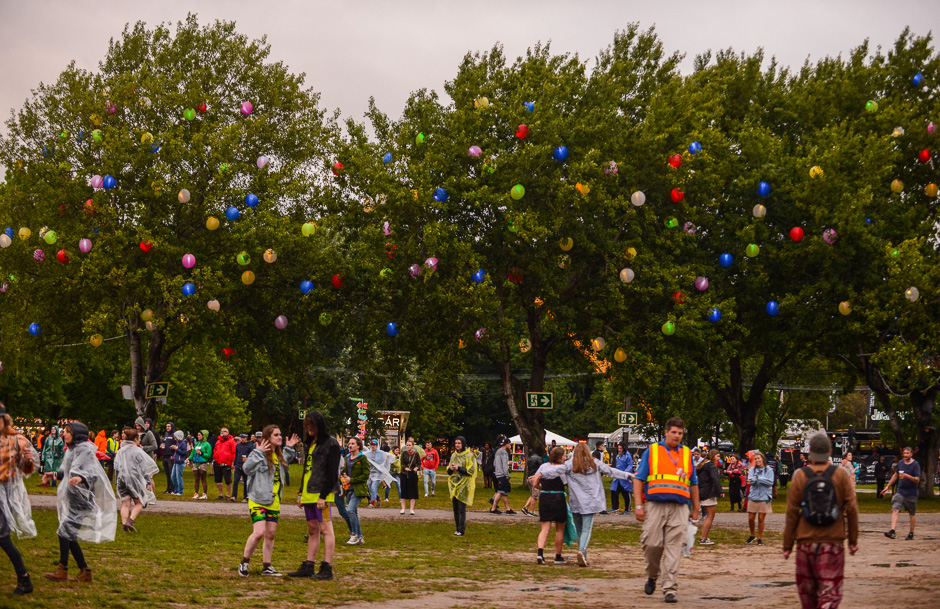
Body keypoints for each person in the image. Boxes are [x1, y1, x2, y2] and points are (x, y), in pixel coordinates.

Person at [783, 432, 859, 609]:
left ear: (810, 453)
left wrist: (788, 545)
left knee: (807, 595)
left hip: (805, 542)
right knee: (830, 593)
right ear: (829, 452)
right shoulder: (840, 476)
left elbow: (792, 512)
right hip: (832, 541)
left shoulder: (800, 475)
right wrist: (853, 541)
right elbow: (852, 510)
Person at [633, 417, 700, 604]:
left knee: (675, 548)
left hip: (680, 507)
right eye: (674, 432)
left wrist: (696, 508)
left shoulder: (687, 454)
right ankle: (652, 575)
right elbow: (638, 479)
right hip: (655, 505)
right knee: (652, 543)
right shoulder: (653, 451)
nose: (677, 436)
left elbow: (693, 483)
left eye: (680, 433)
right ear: (666, 432)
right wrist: (639, 506)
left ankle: (670, 589)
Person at [533, 442, 632, 567]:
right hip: (591, 502)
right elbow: (611, 471)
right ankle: (581, 552)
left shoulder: (569, 464)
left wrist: (542, 474)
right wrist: (628, 475)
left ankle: (583, 556)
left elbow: (556, 471)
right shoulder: (595, 463)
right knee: (586, 529)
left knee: (579, 530)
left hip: (576, 502)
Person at [42, 422, 117, 584]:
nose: (65, 434)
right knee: (69, 535)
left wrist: (81, 478)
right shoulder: (73, 450)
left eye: (68, 432)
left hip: (82, 500)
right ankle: (84, 572)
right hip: (74, 497)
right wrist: (53, 473)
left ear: (77, 434)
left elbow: (92, 472)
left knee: (64, 532)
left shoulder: (84, 451)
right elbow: (68, 471)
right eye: (65, 431)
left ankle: (63, 569)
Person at [238, 425, 299, 577]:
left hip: (274, 500)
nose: (280, 437)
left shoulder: (278, 456)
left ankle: (267, 567)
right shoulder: (257, 453)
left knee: (270, 534)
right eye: (276, 435)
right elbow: (246, 469)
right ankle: (244, 562)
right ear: (268, 437)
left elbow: (287, 457)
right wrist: (259, 453)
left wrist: (290, 447)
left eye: (280, 434)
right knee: (259, 532)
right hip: (258, 499)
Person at [288, 411, 340, 580]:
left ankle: (327, 567)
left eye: (311, 426)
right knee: (312, 530)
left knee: (326, 529)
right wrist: (300, 493)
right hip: (308, 492)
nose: (308, 429)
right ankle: (309, 565)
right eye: (306, 426)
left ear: (319, 425)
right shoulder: (310, 443)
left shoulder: (331, 443)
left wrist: (323, 496)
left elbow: (333, 472)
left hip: (321, 493)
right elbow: (306, 469)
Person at [0, 403, 38, 595]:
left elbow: (27, 469)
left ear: (4, 419)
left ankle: (24, 578)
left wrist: (29, 459)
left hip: (6, 495)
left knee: (3, 537)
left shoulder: (17, 440)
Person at [114, 428, 159, 532]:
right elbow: (144, 468)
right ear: (135, 439)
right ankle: (130, 520)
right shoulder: (137, 451)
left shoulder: (120, 451)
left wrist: (116, 481)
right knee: (140, 502)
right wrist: (148, 481)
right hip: (134, 479)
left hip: (122, 479)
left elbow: (116, 466)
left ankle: (124, 526)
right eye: (139, 438)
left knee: (125, 504)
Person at [881, 446, 921, 540]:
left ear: (911, 454)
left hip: (911, 493)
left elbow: (917, 480)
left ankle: (911, 533)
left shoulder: (915, 464)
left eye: (908, 453)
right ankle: (892, 531)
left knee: (912, 513)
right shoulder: (900, 463)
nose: (906, 455)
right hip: (900, 491)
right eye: (904, 453)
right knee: (895, 509)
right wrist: (887, 487)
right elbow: (895, 475)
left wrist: (907, 476)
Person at [342, 437, 370, 545]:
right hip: (348, 489)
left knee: (350, 510)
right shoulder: (347, 458)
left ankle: (354, 534)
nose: (350, 445)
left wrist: (352, 480)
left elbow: (366, 475)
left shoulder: (362, 459)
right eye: (349, 443)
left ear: (358, 445)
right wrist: (343, 478)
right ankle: (360, 536)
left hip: (359, 489)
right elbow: (344, 472)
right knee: (354, 512)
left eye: (353, 443)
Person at [447, 436, 477, 537]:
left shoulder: (469, 456)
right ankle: (457, 529)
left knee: (461, 509)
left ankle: (461, 530)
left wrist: (459, 468)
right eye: (456, 443)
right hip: (454, 485)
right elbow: (448, 471)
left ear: (463, 444)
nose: (457, 445)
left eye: (459, 443)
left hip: (464, 485)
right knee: (455, 508)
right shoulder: (453, 456)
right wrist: (451, 469)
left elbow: (471, 471)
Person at [746, 451, 775, 545]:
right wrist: (760, 479)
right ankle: (752, 535)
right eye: (755, 459)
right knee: (751, 518)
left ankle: (760, 538)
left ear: (763, 459)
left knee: (761, 518)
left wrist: (759, 478)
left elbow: (770, 482)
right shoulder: (752, 469)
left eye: (759, 458)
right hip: (753, 496)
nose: (757, 460)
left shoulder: (769, 470)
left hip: (764, 496)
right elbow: (751, 480)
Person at [698, 449, 724, 545]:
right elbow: (715, 478)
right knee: (710, 516)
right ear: (713, 456)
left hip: (703, 491)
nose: (719, 458)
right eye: (717, 456)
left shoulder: (703, 464)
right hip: (709, 493)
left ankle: (704, 537)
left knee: (708, 516)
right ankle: (703, 538)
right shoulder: (710, 465)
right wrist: (720, 491)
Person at [364, 440, 394, 507]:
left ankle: (372, 502)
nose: (373, 446)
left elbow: (389, 455)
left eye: (374, 445)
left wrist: (388, 457)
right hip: (370, 473)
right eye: (372, 445)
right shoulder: (368, 453)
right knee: (370, 488)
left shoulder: (381, 453)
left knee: (373, 487)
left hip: (378, 473)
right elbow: (362, 455)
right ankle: (378, 498)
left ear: (377, 446)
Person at [490, 438, 515, 514]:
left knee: (505, 492)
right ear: (506, 444)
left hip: (497, 473)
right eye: (509, 444)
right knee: (500, 492)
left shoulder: (497, 451)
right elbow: (504, 465)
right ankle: (493, 508)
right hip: (502, 474)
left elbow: (494, 463)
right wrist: (507, 474)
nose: (510, 445)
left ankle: (508, 509)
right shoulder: (504, 452)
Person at [213, 427, 236, 501]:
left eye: (225, 431)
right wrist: (215, 458)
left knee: (228, 480)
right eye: (221, 431)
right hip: (217, 463)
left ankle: (228, 495)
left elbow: (234, 452)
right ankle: (220, 494)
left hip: (226, 463)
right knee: (218, 480)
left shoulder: (231, 441)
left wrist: (233, 462)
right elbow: (215, 450)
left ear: (228, 433)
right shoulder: (218, 441)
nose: (223, 432)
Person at [188, 430, 212, 500]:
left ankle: (204, 493)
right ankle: (196, 493)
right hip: (195, 463)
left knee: (203, 478)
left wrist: (202, 453)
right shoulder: (197, 443)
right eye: (198, 435)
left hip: (203, 463)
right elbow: (193, 452)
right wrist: (189, 459)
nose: (198, 436)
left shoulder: (207, 444)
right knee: (196, 478)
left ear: (203, 436)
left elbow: (209, 454)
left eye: (200, 435)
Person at [522, 446, 545, 517]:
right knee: (535, 496)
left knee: (532, 494)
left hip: (529, 477)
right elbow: (542, 469)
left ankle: (525, 507)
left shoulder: (530, 458)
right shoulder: (539, 459)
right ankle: (531, 511)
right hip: (535, 478)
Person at [611, 444, 633, 514]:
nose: (619, 450)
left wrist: (625, 473)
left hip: (624, 477)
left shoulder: (628, 456)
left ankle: (627, 508)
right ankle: (615, 507)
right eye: (618, 448)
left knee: (625, 493)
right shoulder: (618, 456)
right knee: (614, 491)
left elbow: (630, 465)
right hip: (618, 477)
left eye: (620, 448)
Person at [232, 433, 255, 502]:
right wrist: (235, 463)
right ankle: (234, 496)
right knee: (235, 481)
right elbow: (236, 454)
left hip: (246, 466)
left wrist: (248, 459)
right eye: (241, 437)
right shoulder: (238, 445)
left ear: (246, 438)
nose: (242, 439)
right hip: (238, 465)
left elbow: (253, 455)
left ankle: (245, 496)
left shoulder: (250, 445)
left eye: (244, 437)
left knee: (246, 482)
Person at [169, 430, 188, 496]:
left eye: (175, 437)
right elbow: (177, 452)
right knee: (173, 476)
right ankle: (176, 490)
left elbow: (184, 453)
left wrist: (177, 449)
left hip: (180, 462)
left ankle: (180, 491)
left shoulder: (183, 443)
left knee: (178, 477)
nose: (175, 438)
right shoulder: (178, 443)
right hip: (176, 461)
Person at [160, 422, 176, 493]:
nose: (167, 428)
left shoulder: (174, 435)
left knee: (171, 473)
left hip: (171, 456)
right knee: (167, 474)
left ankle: (172, 488)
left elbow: (176, 445)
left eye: (169, 426)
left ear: (172, 427)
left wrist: (174, 455)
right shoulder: (166, 435)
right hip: (165, 455)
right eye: (166, 426)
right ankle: (168, 488)